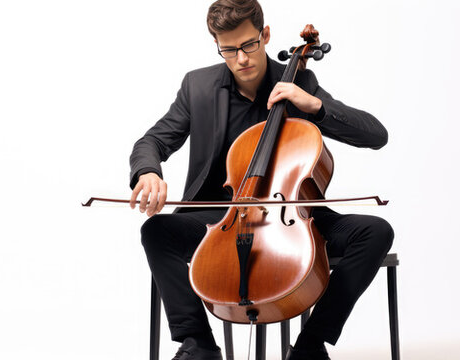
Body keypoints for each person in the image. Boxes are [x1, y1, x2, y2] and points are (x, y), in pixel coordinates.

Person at [128, 1, 393, 359]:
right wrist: (148, 171)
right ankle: (198, 344)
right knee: (155, 231)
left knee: (375, 231)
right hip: (218, 218)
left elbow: (376, 135)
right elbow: (153, 141)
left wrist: (315, 106)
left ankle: (310, 346)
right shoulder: (198, 87)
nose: (241, 59)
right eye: (229, 50)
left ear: (265, 35)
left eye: (249, 45)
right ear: (218, 46)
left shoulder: (300, 81)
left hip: (292, 215)